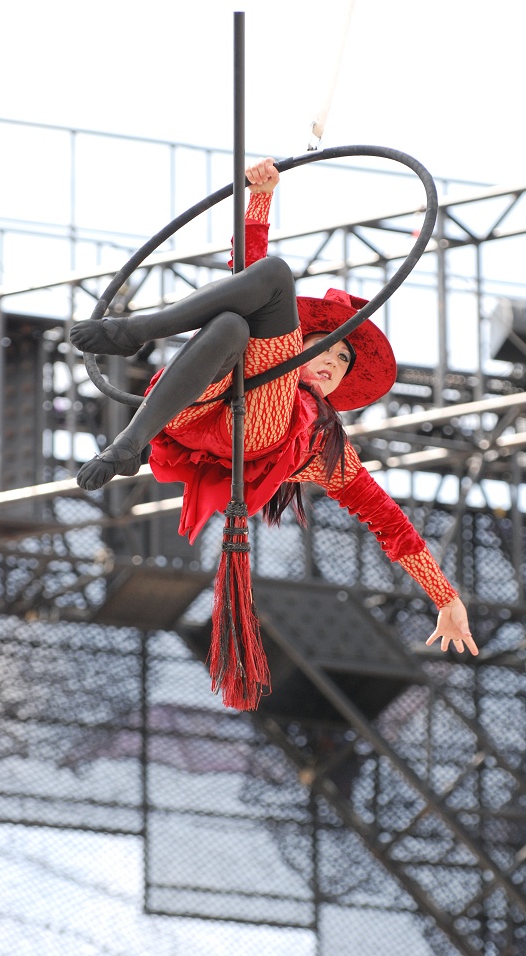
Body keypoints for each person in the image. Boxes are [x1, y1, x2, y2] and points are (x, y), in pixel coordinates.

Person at [70, 159, 478, 657]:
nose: (330, 359)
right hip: (192, 407)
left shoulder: (329, 451)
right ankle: (130, 423)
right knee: (232, 326)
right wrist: (260, 197)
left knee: (270, 285)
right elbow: (248, 280)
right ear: (297, 343)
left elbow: (391, 524)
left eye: (343, 357)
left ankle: (139, 335)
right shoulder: (275, 352)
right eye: (323, 346)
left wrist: (445, 596)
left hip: (255, 429)